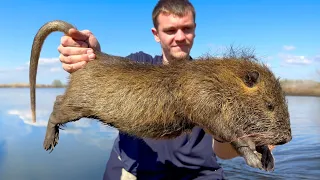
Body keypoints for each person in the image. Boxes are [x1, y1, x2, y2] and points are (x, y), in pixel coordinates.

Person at [57, 0, 274, 179]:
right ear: (156, 34)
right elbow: (107, 75)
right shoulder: (137, 64)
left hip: (197, 174)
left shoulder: (213, 83)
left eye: (186, 28)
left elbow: (223, 153)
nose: (180, 37)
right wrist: (90, 55)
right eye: (170, 30)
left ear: (195, 31)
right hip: (135, 171)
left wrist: (251, 138)